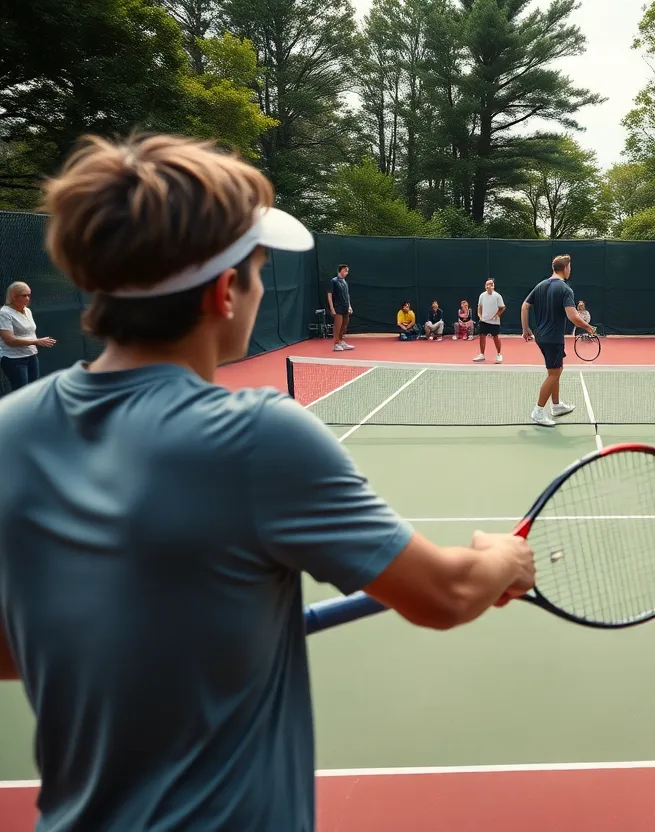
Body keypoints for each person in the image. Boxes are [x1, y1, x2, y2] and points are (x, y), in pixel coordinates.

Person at [0, 133, 536, 830]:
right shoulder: (259, 436)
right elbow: (445, 594)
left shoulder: (10, 430)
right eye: (255, 270)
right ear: (226, 292)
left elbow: (12, 652)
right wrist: (503, 559)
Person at [521, 254, 595, 427]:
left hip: (541, 336)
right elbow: (573, 316)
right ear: (566, 268)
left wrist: (525, 329)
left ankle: (556, 405)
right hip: (553, 338)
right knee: (554, 373)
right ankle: (538, 411)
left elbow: (524, 306)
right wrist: (588, 328)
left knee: (556, 370)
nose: (571, 270)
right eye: (570, 267)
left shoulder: (540, 285)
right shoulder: (565, 289)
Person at [0, 281, 56, 391]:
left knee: (33, 391)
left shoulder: (27, 310)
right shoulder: (4, 314)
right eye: (24, 295)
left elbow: (29, 333)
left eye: (29, 295)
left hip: (31, 356)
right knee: (21, 393)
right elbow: (9, 340)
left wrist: (38, 342)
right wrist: (36, 342)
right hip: (14, 360)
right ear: (14, 297)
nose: (28, 298)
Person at [475, 278, 506, 363]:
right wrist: (479, 315)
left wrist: (497, 315)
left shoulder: (497, 296)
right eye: (488, 284)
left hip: (494, 322)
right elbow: (479, 306)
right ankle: (482, 354)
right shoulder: (482, 295)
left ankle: (499, 354)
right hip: (484, 320)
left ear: (493, 286)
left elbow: (503, 307)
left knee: (495, 337)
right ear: (485, 286)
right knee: (482, 336)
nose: (490, 285)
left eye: (492, 284)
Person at [328, 264, 353, 351]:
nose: (347, 272)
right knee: (338, 326)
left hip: (346, 307)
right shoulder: (333, 281)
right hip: (338, 307)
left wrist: (349, 306)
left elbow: (347, 295)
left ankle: (341, 341)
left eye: (347, 270)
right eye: (345, 270)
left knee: (344, 326)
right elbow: (329, 295)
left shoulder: (345, 282)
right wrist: (332, 308)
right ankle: (336, 344)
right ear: (340, 270)